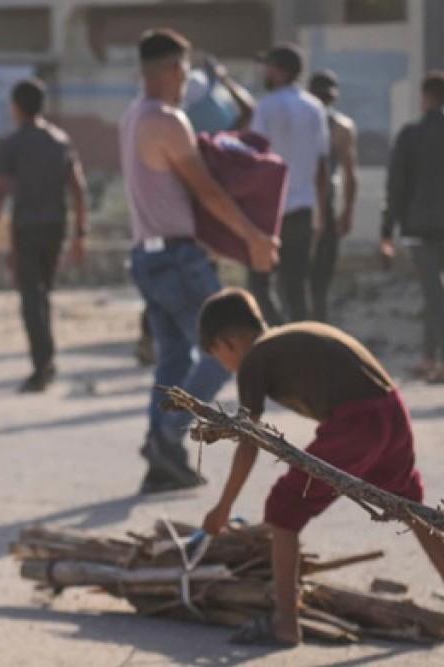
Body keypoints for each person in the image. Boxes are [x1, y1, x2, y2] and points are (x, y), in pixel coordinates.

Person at [197, 288, 444, 645]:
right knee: (409, 505)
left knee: (283, 509)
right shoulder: (288, 336)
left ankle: (284, 622)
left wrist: (222, 509)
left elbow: (248, 442)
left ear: (228, 341)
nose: (222, 363)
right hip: (392, 411)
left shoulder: (254, 359)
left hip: (357, 421)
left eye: (216, 354)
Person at [120, 29, 278, 494]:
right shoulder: (168, 120)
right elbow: (206, 189)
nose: (186, 80)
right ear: (173, 71)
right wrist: (253, 237)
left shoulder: (133, 116)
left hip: (147, 258)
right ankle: (165, 439)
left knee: (173, 358)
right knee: (227, 350)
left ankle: (163, 456)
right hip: (175, 259)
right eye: (186, 71)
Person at [0, 78, 88, 393]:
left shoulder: (13, 143)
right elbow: (78, 188)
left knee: (31, 297)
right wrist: (80, 234)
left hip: (27, 229)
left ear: (16, 107)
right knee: (42, 295)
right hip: (55, 228)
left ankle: (42, 366)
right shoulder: (59, 140)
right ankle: (46, 361)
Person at [383, 72, 444, 384]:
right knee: (434, 290)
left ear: (424, 97)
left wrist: (386, 229)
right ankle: (428, 357)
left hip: (418, 227)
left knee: (435, 292)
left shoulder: (410, 135)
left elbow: (396, 187)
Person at [246, 44, 330, 325]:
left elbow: (256, 159)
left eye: (268, 67)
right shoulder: (314, 107)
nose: (265, 72)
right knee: (295, 286)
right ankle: (299, 339)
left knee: (259, 283)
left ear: (279, 71)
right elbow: (321, 164)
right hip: (303, 207)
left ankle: (277, 332)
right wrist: (321, 211)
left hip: (269, 210)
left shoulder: (267, 107)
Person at [307, 70, 358, 324]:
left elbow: (350, 173)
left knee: (320, 277)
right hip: (301, 202)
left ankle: (317, 324)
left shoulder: (340, 127)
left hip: (321, 202)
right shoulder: (303, 120)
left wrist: (347, 212)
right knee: (298, 276)